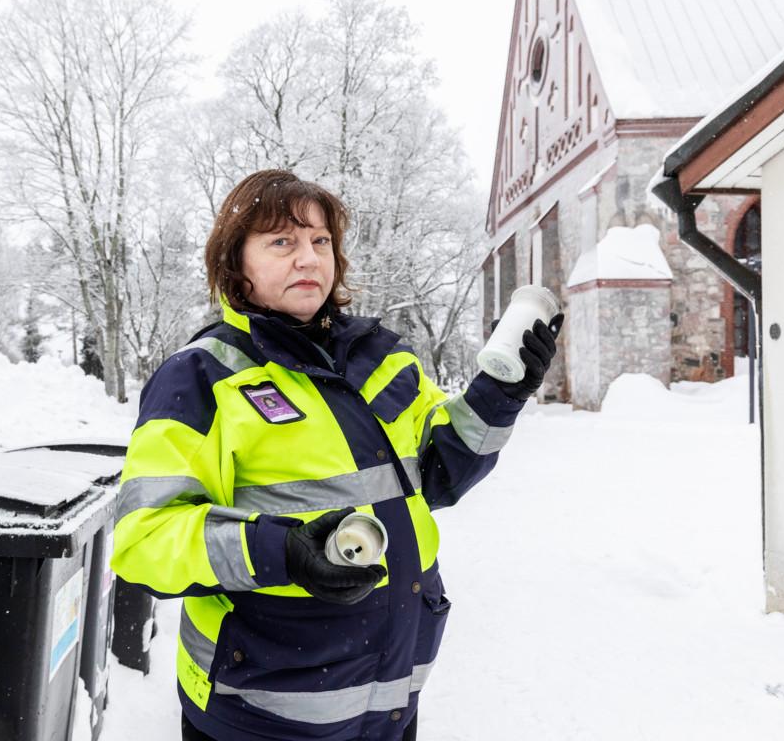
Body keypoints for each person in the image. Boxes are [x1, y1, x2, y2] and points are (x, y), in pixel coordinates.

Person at [111, 169, 562, 741]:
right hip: (262, 714)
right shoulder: (201, 378)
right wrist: (282, 552)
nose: (308, 259)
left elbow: (440, 474)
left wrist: (501, 393)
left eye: (320, 242)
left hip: (389, 698)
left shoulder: (382, 357)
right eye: (282, 242)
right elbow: (143, 540)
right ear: (236, 264)